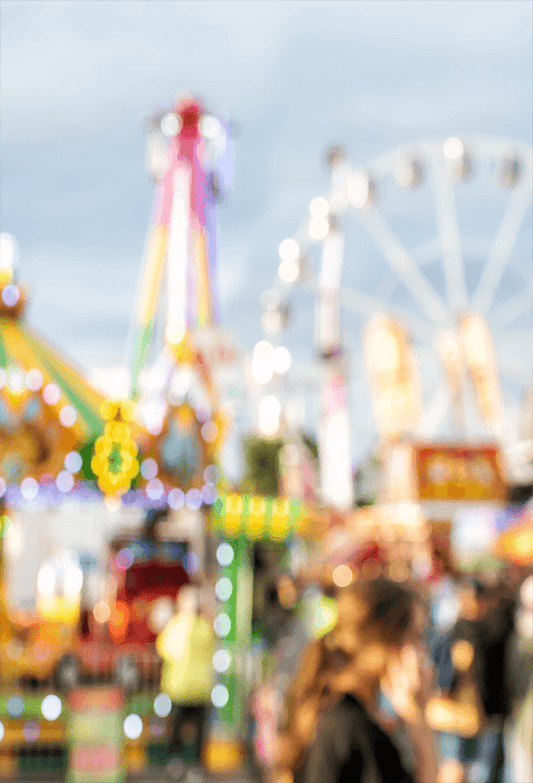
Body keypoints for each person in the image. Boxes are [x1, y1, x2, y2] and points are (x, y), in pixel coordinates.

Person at [275, 576, 438, 783]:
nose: (422, 651)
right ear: (386, 645)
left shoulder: (325, 709)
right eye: (415, 636)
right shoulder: (358, 731)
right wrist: (419, 723)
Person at [156, 586, 214, 775]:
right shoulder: (204, 627)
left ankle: (175, 764)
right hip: (201, 688)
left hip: (179, 687)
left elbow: (165, 650)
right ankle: (197, 767)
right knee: (198, 732)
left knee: (176, 730)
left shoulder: (175, 626)